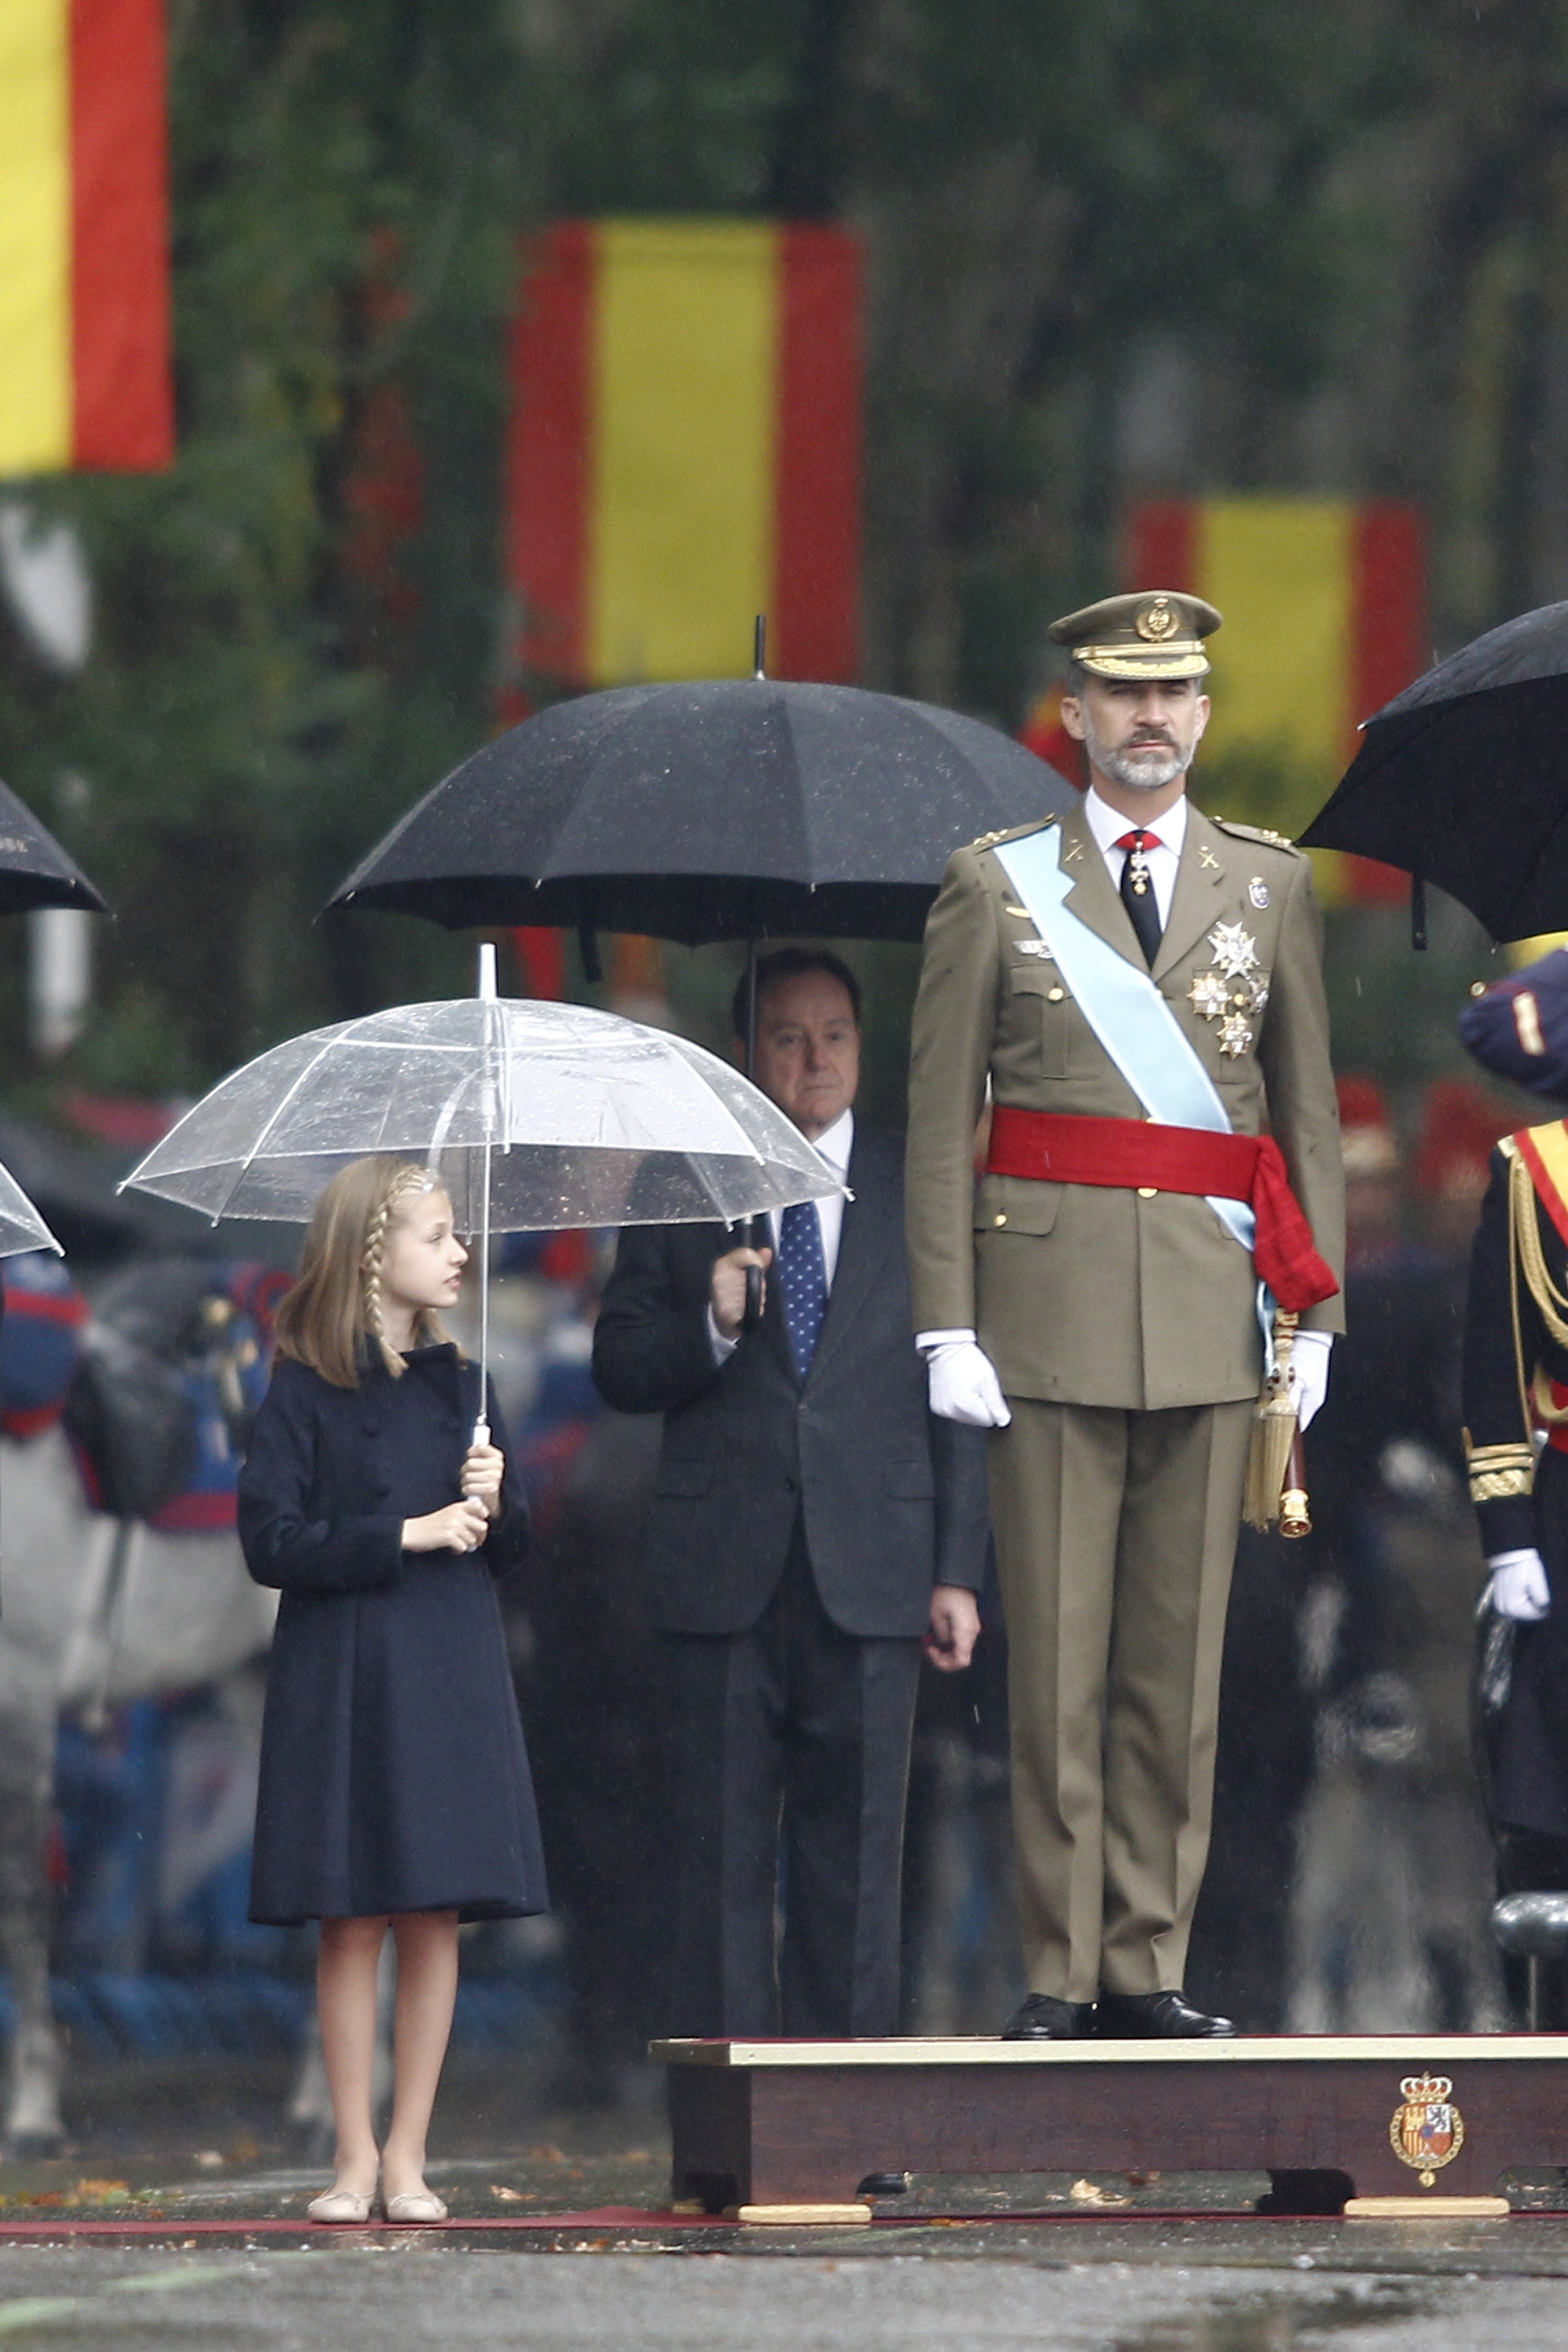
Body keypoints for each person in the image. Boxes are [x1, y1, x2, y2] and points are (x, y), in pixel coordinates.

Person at [905, 591, 1345, 2039]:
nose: (1151, 718)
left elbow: (1304, 1117)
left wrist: (1315, 1316)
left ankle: (1147, 1964)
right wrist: (943, 1322)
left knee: (1175, 1678)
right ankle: (1055, 1968)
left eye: (1176, 694)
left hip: (1212, 1322)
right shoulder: (997, 882)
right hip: (1037, 1318)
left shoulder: (1268, 886)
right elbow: (935, 1120)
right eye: (1122, 694)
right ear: (1077, 717)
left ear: (1202, 717)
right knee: (1053, 1677)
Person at [592, 947, 990, 2039]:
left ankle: (846, 2131)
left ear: (861, 1049)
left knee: (856, 1868)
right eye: (785, 1036)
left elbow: (958, 1388)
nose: (813, 1059)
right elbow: (619, 1366)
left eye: (834, 1035)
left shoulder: (921, 1188)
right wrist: (710, 1324)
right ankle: (730, 2142)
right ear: (744, 1052)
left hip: (875, 1570)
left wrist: (957, 1569)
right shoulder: (687, 1184)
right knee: (719, 1866)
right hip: (722, 1572)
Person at [238, 1156, 545, 2223]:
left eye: (458, 1234)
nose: (459, 1252)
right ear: (373, 1253)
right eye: (437, 1234)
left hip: (447, 1666)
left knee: (431, 1912)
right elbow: (271, 1541)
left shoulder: (469, 1386)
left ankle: (411, 2154)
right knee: (352, 1916)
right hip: (347, 1669)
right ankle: (353, 2154)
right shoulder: (302, 1387)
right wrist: (405, 1533)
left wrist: (500, 1498)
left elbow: (511, 1553)